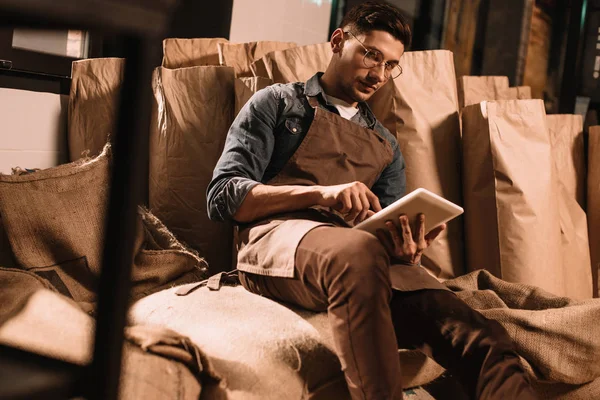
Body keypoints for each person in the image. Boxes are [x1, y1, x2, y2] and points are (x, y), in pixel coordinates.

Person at [207, 2, 537, 399]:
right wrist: (323, 193)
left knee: (486, 341)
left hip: (362, 255)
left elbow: (383, 228)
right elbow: (223, 196)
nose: (379, 74)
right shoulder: (277, 103)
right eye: (371, 55)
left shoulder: (385, 144)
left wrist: (407, 250)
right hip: (279, 242)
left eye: (391, 64)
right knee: (358, 251)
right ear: (337, 40)